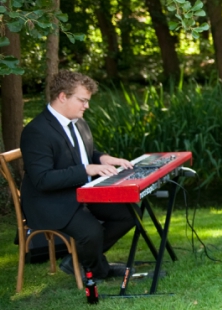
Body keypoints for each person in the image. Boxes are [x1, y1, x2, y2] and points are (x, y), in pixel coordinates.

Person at [20, 70, 136, 281]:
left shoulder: (78, 122)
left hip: (79, 191)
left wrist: (103, 159)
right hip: (48, 201)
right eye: (82, 100)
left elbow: (85, 154)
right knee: (91, 232)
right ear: (62, 96)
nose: (87, 106)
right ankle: (99, 270)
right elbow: (42, 179)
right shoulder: (36, 131)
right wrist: (85, 170)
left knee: (128, 213)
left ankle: (80, 261)